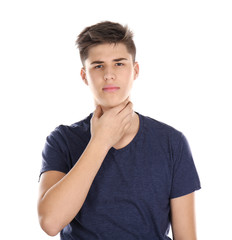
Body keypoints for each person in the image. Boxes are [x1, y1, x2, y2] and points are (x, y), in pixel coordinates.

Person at [37, 21, 201, 240]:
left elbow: (186, 237)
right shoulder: (62, 140)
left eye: (119, 64)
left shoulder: (172, 142)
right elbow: (50, 223)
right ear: (85, 76)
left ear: (135, 71)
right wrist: (101, 141)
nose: (109, 74)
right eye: (98, 66)